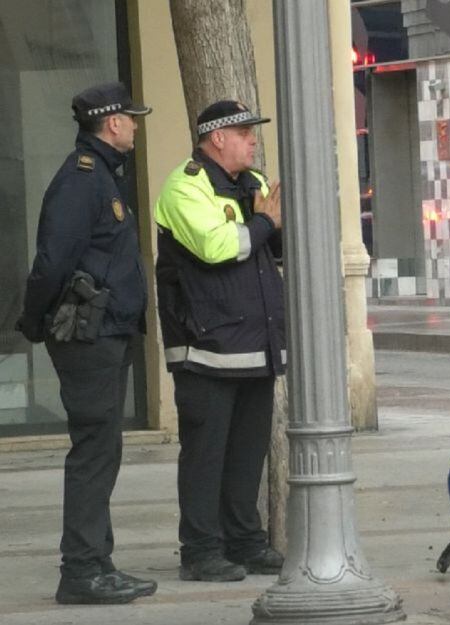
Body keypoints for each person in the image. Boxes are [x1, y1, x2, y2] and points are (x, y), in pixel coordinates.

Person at [16, 82, 156, 604]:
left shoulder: (102, 176)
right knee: (95, 451)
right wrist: (35, 319)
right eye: (131, 118)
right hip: (87, 333)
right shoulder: (82, 180)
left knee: (104, 449)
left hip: (105, 330)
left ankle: (98, 561)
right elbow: (52, 261)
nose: (137, 126)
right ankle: (80, 571)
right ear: (112, 123)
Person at [153, 100, 286, 582]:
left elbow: (273, 249)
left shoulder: (250, 185)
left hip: (256, 344)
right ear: (217, 138)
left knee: (247, 455)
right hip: (204, 348)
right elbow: (215, 248)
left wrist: (277, 226)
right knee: (206, 456)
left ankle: (246, 542)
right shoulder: (185, 185)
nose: (253, 140)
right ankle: (201, 551)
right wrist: (265, 224)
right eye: (245, 131)